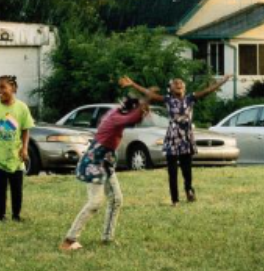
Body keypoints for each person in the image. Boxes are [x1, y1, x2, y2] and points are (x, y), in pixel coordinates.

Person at [60, 84, 153, 251]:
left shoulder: (117, 112)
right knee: (95, 202)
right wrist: (146, 100)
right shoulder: (117, 117)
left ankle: (107, 238)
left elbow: (132, 115)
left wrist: (142, 101)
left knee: (116, 199)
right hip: (94, 162)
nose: (143, 116)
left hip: (105, 162)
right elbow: (131, 118)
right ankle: (69, 240)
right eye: (142, 113)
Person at [120, 74, 231, 205]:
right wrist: (133, 84)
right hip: (172, 137)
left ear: (184, 88)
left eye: (181, 83)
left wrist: (223, 81)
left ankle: (189, 189)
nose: (178, 84)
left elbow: (208, 91)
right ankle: (175, 200)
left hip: (186, 137)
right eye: (175, 83)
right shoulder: (168, 100)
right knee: (172, 171)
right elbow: (148, 93)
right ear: (171, 89)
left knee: (186, 170)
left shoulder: (190, 98)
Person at [0, 75, 34, 221]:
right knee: (0, 188)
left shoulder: (22, 108)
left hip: (16, 156)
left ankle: (16, 215)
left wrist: (24, 149)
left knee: (17, 188)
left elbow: (25, 130)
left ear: (13, 88)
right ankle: (1, 215)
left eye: (2, 87)